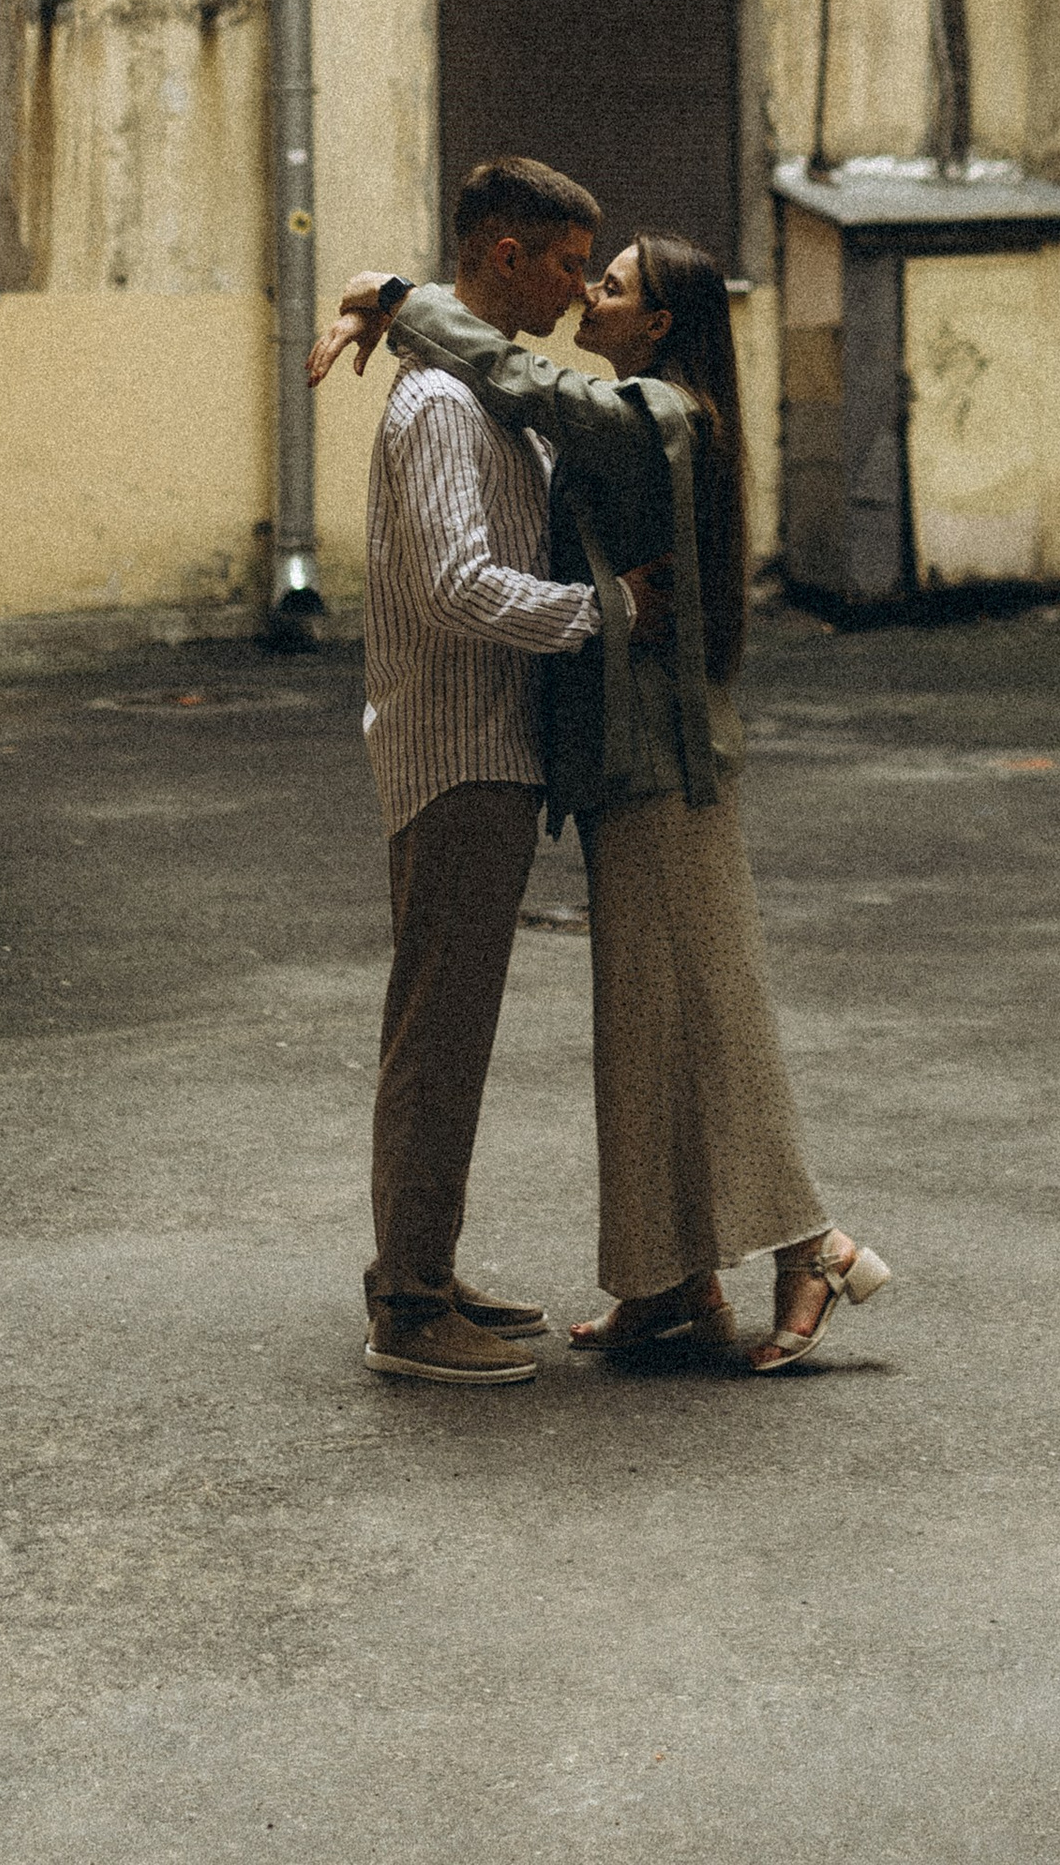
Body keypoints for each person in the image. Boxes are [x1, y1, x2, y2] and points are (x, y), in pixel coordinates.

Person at [325, 230, 892, 1374]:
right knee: (640, 1029)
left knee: (705, 1009)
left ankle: (812, 1245)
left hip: (663, 763)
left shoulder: (660, 412)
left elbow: (527, 383)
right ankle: (667, 1282)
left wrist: (397, 298)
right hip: (618, 761)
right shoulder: (650, 410)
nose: (590, 291)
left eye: (614, 284)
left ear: (659, 325)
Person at [323, 152, 633, 1389]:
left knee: (447, 1028)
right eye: (566, 264)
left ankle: (426, 1272)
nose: (577, 291)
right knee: (438, 1036)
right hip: (459, 756)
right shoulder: (446, 408)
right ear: (506, 255)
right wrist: (607, 616)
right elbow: (458, 586)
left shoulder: (477, 387)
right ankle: (407, 1307)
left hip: (482, 747)